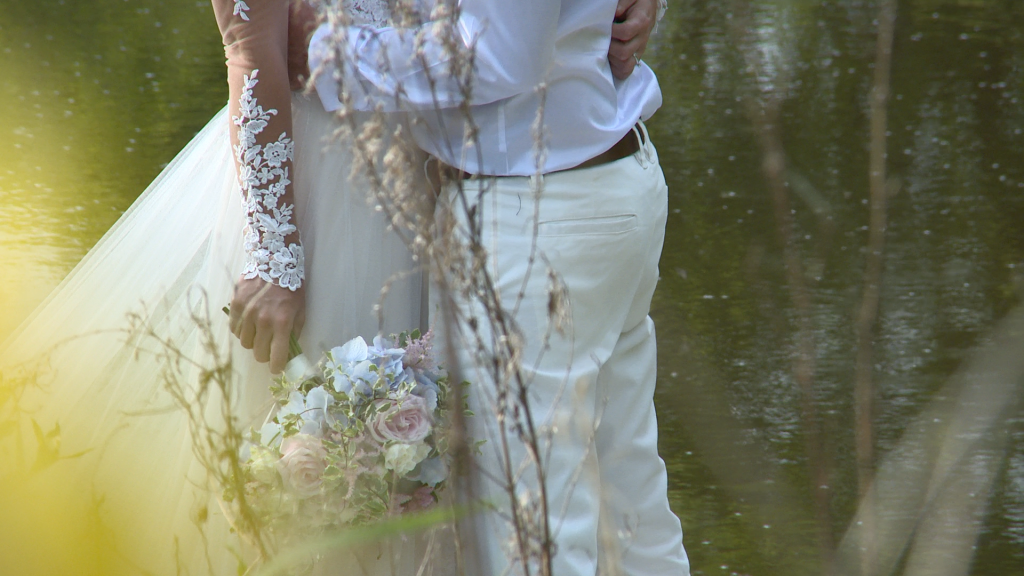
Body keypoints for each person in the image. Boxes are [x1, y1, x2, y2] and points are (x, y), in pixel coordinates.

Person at [0, 1, 664, 575]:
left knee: (507, 494)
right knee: (352, 471)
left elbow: (506, 37)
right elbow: (248, 48)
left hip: (461, 192)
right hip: (327, 193)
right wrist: (277, 252)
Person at [309, 1, 687, 575]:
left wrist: (330, 57)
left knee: (534, 534)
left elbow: (500, 56)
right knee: (629, 507)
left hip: (535, 214)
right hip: (604, 185)